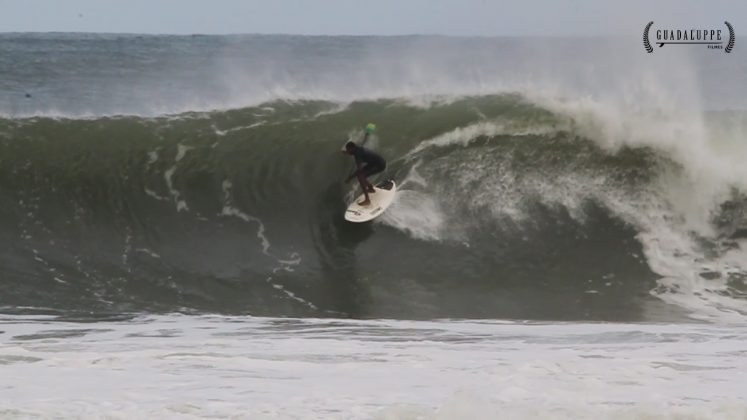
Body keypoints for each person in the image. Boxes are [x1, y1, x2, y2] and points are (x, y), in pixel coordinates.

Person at [343, 141, 386, 206]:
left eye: (348, 150)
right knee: (360, 175)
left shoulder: (358, 154)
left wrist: (350, 178)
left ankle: (367, 200)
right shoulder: (357, 149)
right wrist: (346, 152)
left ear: (352, 148)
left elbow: (359, 170)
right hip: (374, 163)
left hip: (380, 165)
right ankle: (370, 188)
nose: (348, 152)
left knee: (361, 177)